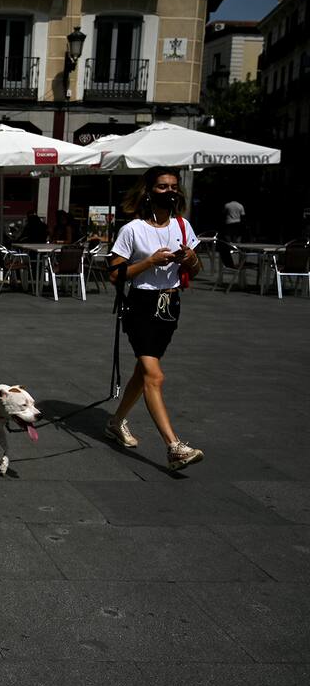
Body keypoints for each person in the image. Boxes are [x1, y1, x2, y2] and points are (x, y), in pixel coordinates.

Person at [105, 166, 204, 471]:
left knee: (144, 372)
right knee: (155, 375)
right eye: (162, 186)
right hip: (142, 305)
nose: (170, 191)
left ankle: (116, 421)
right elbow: (114, 274)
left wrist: (191, 259)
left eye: (174, 186)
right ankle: (174, 447)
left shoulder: (183, 226)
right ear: (148, 191)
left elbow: (196, 271)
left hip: (170, 305)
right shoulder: (132, 230)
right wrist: (149, 262)